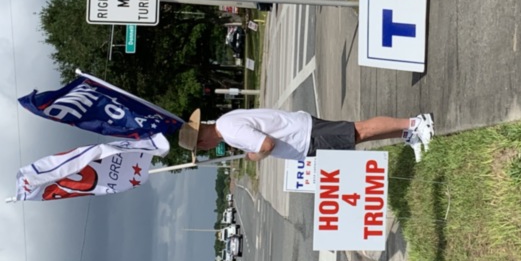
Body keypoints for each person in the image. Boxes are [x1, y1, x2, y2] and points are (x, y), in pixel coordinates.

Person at [178, 108, 435, 163]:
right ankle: (406, 132)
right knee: (358, 137)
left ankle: (416, 122)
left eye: (203, 149)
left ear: (202, 140)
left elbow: (266, 144)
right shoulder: (226, 125)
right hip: (303, 137)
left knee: (360, 130)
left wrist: (255, 156)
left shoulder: (230, 130)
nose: (208, 150)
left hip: (304, 135)